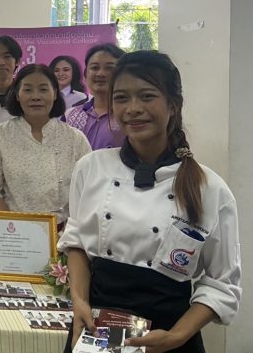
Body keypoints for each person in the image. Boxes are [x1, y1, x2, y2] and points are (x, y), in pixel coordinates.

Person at [59, 51, 241, 353]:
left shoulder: (210, 188)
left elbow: (222, 284)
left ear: (173, 105)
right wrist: (79, 301)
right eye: (121, 98)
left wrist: (176, 336)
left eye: (147, 96)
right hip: (96, 330)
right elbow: (76, 242)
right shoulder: (91, 168)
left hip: (168, 337)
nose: (133, 109)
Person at [0, 64, 91, 226]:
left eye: (43, 89)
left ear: (55, 94)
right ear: (17, 95)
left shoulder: (76, 139)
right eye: (27, 90)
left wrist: (68, 233)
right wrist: (14, 231)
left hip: (66, 233)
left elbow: (88, 191)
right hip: (16, 232)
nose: (36, 97)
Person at [63, 43, 126, 150]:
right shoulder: (70, 115)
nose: (100, 73)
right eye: (95, 67)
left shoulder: (128, 115)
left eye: (110, 68)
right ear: (85, 75)